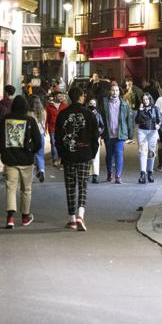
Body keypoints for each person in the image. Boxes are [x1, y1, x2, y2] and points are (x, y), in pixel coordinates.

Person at [55, 87, 100, 231]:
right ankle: (81, 214)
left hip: (68, 155)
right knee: (82, 185)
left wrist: (62, 154)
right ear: (81, 97)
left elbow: (57, 138)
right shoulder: (89, 114)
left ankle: (72, 219)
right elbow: (95, 137)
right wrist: (92, 153)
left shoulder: (62, 115)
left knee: (70, 186)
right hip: (85, 154)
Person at [0, 95, 42, 229]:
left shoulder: (5, 119)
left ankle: (10, 218)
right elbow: (38, 141)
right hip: (26, 160)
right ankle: (25, 216)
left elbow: (0, 140)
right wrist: (31, 150)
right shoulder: (30, 120)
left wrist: (3, 154)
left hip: (10, 160)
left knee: (11, 188)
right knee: (26, 189)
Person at [99, 83, 134, 184]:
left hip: (120, 133)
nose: (115, 92)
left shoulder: (124, 103)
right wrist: (99, 132)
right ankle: (109, 174)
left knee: (119, 153)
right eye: (113, 90)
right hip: (108, 133)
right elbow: (100, 117)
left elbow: (129, 119)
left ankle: (118, 176)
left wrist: (130, 134)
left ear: (119, 92)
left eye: (117, 90)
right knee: (109, 155)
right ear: (110, 91)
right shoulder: (105, 103)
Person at [135, 93, 162, 184]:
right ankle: (143, 173)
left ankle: (150, 172)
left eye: (147, 99)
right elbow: (136, 121)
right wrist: (140, 110)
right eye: (144, 99)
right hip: (142, 131)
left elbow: (160, 119)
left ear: (150, 99)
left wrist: (158, 125)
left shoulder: (155, 108)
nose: (145, 101)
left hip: (153, 132)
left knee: (151, 153)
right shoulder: (141, 109)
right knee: (142, 152)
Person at [45, 92, 68, 168]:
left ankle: (61, 159)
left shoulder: (65, 106)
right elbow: (47, 118)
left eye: (61, 96)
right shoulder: (49, 107)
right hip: (52, 128)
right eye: (59, 96)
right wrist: (45, 128)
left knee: (62, 144)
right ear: (55, 97)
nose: (61, 97)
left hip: (62, 128)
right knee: (54, 144)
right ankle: (55, 160)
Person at [28, 96, 47, 183]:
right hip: (41, 134)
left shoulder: (28, 113)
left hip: (31, 136)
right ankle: (42, 170)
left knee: (31, 155)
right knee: (40, 154)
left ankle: (30, 176)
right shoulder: (43, 112)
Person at [86, 99, 105, 183]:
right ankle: (87, 173)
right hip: (86, 137)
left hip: (95, 137)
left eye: (94, 104)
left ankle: (95, 175)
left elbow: (102, 126)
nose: (92, 105)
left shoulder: (98, 114)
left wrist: (98, 133)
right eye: (91, 103)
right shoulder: (85, 114)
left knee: (96, 156)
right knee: (87, 155)